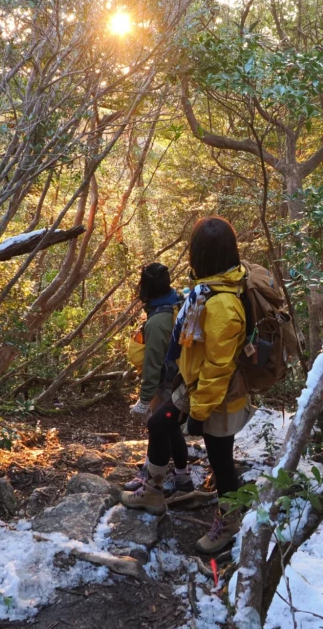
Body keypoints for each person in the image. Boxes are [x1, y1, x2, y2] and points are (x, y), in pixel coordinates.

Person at [121, 216, 253, 555]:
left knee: (221, 460)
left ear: (201, 254)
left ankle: (229, 522)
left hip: (219, 395)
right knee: (158, 423)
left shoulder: (222, 302)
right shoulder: (209, 288)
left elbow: (219, 366)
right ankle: (152, 491)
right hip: (196, 387)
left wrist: (199, 411)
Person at [123, 263, 190, 494]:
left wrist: (144, 401)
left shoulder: (157, 321)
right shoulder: (178, 304)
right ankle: (182, 477)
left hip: (166, 385)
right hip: (181, 380)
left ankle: (150, 480)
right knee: (172, 429)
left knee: (158, 427)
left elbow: (152, 366)